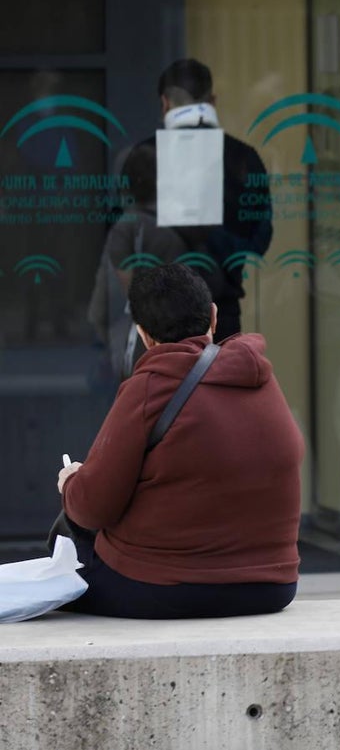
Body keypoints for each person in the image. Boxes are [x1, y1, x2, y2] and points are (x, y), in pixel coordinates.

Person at [57, 264, 303, 618]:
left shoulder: (149, 386)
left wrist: (71, 485)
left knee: (65, 557)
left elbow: (93, 507)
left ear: (144, 334)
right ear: (214, 317)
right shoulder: (260, 378)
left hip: (164, 587)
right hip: (273, 588)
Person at [136, 58, 273, 339]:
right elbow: (261, 239)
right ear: (212, 100)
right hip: (222, 311)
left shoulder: (142, 159)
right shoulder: (243, 159)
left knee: (164, 383)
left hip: (158, 315)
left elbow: (122, 238)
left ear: (164, 103)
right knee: (221, 382)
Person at [88, 142, 226, 380]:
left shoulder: (128, 229)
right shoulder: (189, 224)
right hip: (197, 349)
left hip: (148, 353)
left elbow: (101, 309)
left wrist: (112, 342)